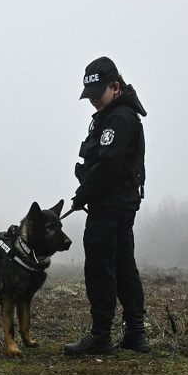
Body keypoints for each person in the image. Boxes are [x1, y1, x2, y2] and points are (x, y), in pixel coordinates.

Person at [64, 56, 149, 356]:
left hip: (110, 204)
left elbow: (108, 164)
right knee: (124, 264)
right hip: (119, 203)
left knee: (101, 266)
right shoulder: (111, 115)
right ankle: (135, 334)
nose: (94, 101)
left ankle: (101, 335)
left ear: (115, 86)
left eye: (98, 94)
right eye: (90, 96)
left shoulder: (119, 118)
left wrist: (82, 193)